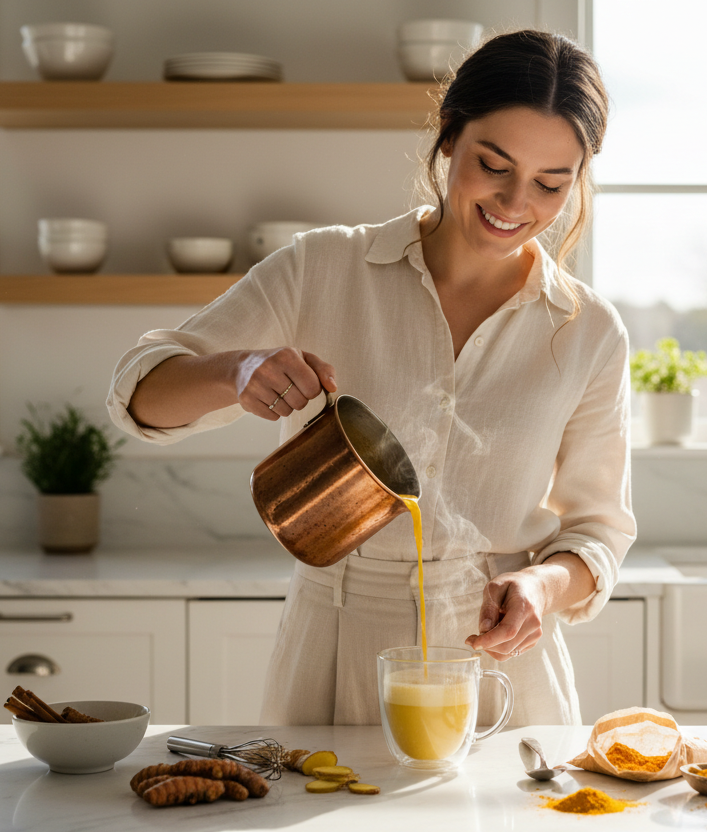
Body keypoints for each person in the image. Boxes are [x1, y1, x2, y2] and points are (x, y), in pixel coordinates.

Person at [106, 29, 635, 726]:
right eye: (494, 164)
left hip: (501, 668)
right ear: (449, 137)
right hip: (334, 644)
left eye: (551, 183)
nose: (516, 202)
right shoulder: (322, 269)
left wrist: (541, 584)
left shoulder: (588, 331)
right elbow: (139, 391)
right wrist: (236, 370)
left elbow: (597, 532)